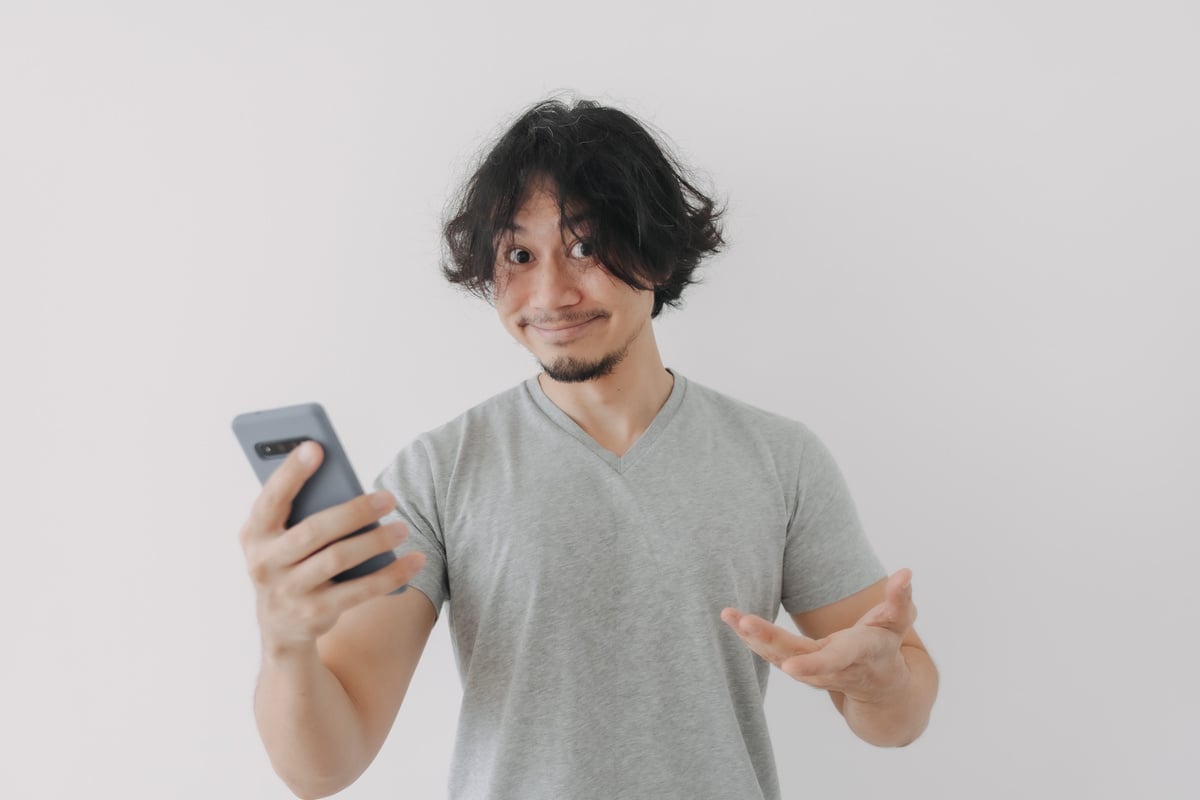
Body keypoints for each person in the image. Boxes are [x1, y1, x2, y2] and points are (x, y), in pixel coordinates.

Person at [239, 97, 939, 800]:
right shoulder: (435, 473)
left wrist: (881, 683)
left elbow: (895, 719)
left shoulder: (779, 457)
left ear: (657, 253)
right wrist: (286, 644)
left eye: (584, 246)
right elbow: (322, 767)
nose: (550, 294)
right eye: (518, 255)